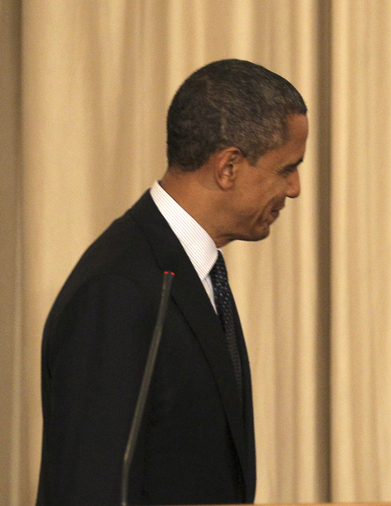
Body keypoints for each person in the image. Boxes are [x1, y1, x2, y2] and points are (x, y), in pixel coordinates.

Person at [36, 59, 308, 505]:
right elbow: (89, 486)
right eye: (286, 169)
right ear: (229, 167)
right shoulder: (118, 290)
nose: (295, 188)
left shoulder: (189, 271)